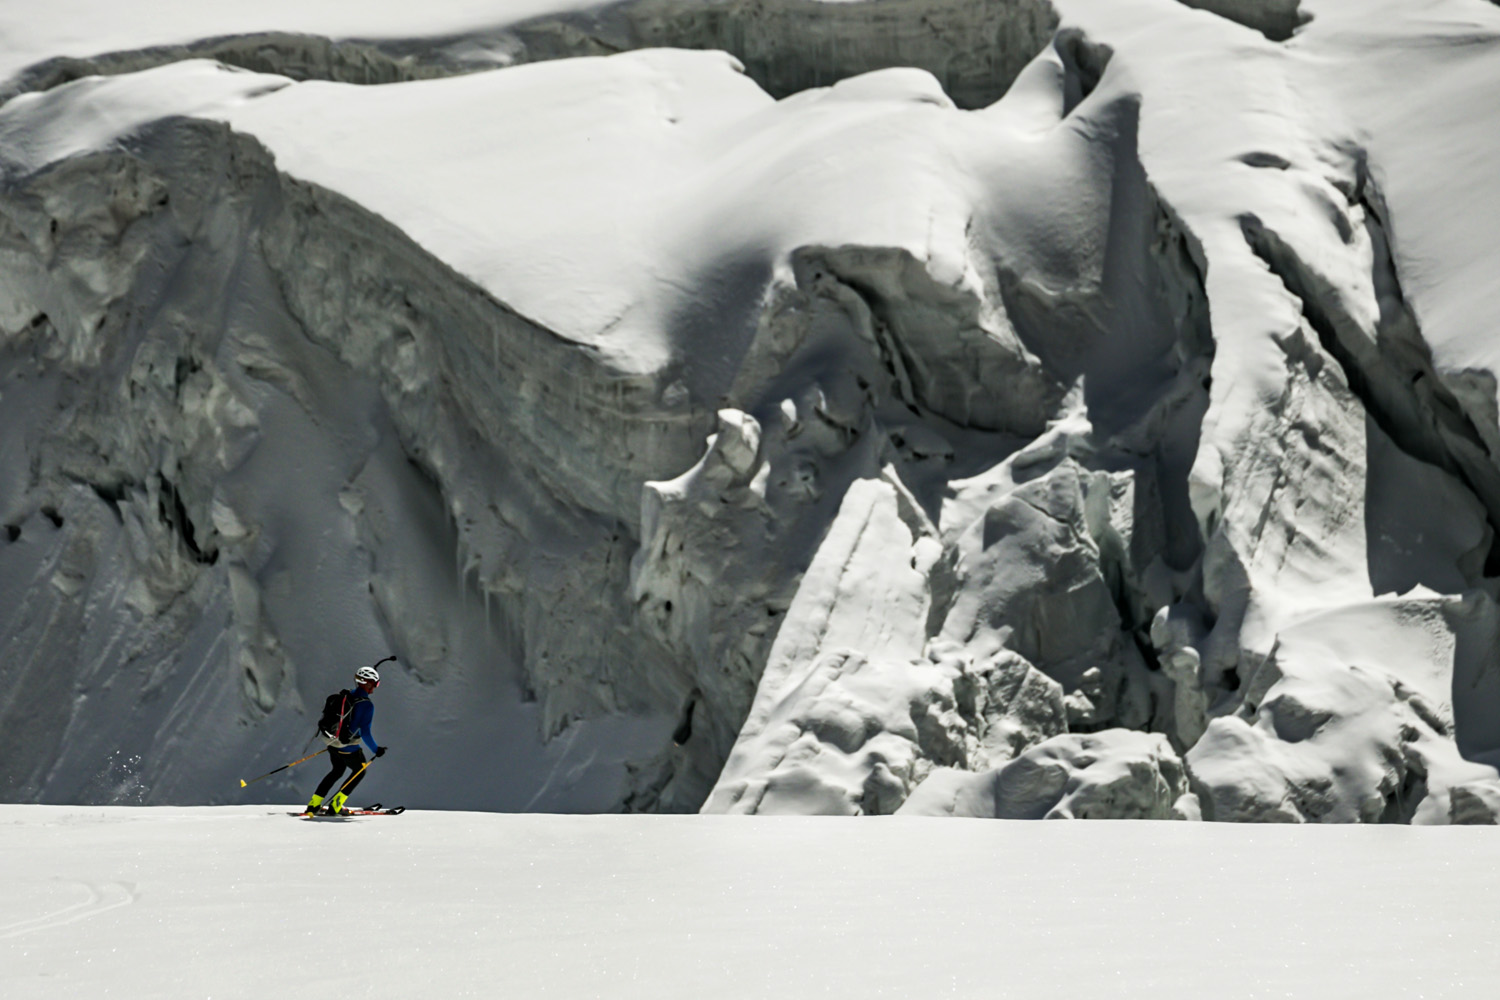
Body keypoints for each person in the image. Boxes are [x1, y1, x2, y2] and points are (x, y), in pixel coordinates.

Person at [305, 665, 387, 815]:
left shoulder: (346, 695)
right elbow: (365, 733)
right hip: (347, 747)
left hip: (331, 742)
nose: (375, 688)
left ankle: (313, 805)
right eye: (375, 684)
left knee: (337, 770)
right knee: (360, 771)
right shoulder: (366, 705)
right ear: (367, 683)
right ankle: (336, 806)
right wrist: (377, 750)